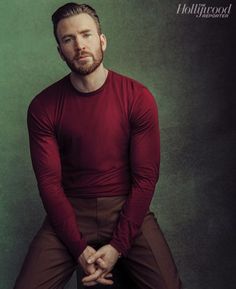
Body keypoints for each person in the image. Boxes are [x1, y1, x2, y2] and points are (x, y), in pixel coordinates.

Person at [14, 3, 182, 289]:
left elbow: (145, 179)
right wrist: (79, 250)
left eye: (86, 34)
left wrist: (118, 246)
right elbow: (49, 185)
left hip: (126, 209)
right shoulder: (43, 107)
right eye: (68, 39)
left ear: (102, 40)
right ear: (60, 51)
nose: (79, 45)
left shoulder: (137, 97)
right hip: (69, 212)